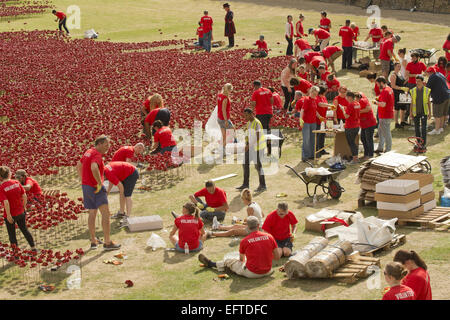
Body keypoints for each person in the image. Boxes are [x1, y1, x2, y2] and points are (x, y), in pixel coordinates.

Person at [198, 216, 280, 279]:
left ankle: (212, 264)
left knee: (230, 260)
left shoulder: (245, 241)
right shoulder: (269, 237)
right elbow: (277, 257)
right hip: (268, 270)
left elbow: (241, 260)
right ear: (258, 225)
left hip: (253, 273)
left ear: (246, 226)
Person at [76, 135, 121, 250]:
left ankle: (93, 241)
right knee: (106, 214)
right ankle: (107, 242)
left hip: (86, 186)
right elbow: (94, 168)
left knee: (92, 213)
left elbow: (79, 164)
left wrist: (82, 180)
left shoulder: (88, 151)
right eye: (106, 145)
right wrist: (99, 183)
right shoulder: (96, 154)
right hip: (95, 187)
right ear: (99, 144)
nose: (108, 148)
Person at [0, 166, 36, 252]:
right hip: (20, 212)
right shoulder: (16, 182)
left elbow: (6, 202)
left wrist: (8, 215)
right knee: (24, 230)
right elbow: (24, 196)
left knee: (12, 235)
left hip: (10, 215)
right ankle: (33, 248)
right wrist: (24, 207)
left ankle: (16, 254)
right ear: (9, 174)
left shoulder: (2, 187)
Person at [236, 108, 267, 192]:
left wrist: (248, 145)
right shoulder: (249, 123)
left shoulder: (257, 123)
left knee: (258, 166)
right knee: (245, 164)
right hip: (250, 147)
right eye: (244, 115)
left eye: (246, 115)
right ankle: (245, 185)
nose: (245, 117)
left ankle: (263, 185)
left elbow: (257, 137)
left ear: (251, 114)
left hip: (257, 148)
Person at [300, 86, 326, 161]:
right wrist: (301, 119)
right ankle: (305, 156)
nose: (316, 95)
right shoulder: (307, 100)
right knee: (306, 139)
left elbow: (315, 110)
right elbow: (302, 110)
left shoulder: (314, 100)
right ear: (311, 92)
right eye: (315, 94)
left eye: (317, 94)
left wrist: (320, 116)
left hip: (313, 122)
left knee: (312, 139)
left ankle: (311, 155)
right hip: (306, 122)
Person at [251, 81, 273, 155]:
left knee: (262, 132)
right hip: (269, 113)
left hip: (260, 113)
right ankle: (269, 150)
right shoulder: (268, 90)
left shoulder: (256, 92)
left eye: (254, 87)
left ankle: (262, 150)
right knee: (268, 130)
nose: (254, 88)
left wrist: (251, 111)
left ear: (256, 86)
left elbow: (253, 103)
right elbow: (272, 101)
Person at [426, 67, 450, 135]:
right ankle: (441, 128)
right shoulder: (440, 74)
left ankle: (436, 130)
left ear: (429, 72)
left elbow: (427, 89)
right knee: (442, 114)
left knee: (437, 115)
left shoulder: (432, 77)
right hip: (447, 96)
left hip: (439, 98)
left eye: (427, 73)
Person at [373, 77, 395, 153]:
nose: (377, 86)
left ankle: (388, 149)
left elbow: (383, 104)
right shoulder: (389, 89)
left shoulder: (385, 91)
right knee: (380, 132)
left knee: (386, 133)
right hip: (386, 114)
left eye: (377, 84)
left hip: (385, 115)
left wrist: (376, 103)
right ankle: (380, 147)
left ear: (381, 83)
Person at [409, 75, 431, 150]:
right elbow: (412, 102)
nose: (417, 82)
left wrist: (430, 112)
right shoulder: (413, 90)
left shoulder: (427, 90)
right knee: (417, 128)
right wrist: (410, 112)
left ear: (422, 82)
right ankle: (418, 142)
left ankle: (423, 144)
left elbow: (428, 102)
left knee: (423, 128)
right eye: (416, 81)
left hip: (424, 112)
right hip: (416, 112)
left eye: (419, 81)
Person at [339, 91, 360, 164]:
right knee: (353, 142)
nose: (346, 98)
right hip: (356, 125)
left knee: (351, 143)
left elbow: (346, 116)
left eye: (346, 97)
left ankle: (355, 158)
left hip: (350, 126)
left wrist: (342, 110)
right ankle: (356, 157)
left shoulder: (351, 105)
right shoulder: (357, 103)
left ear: (350, 97)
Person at [356, 92, 377, 160]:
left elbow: (368, 109)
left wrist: (357, 112)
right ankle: (366, 153)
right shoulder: (358, 102)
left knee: (368, 139)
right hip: (364, 124)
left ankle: (370, 155)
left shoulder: (362, 100)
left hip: (369, 123)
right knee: (363, 138)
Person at [389, 62, 408, 128]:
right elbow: (393, 86)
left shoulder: (400, 74)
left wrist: (407, 79)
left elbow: (402, 82)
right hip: (396, 93)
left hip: (402, 93)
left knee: (403, 108)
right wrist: (401, 88)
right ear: (394, 67)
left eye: (400, 66)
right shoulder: (393, 75)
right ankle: (396, 123)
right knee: (397, 108)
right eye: (398, 66)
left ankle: (402, 121)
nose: (399, 68)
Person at [315, 86, 333, 157]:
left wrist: (329, 108)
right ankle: (316, 151)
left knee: (322, 136)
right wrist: (330, 105)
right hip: (318, 119)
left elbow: (324, 106)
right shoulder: (317, 97)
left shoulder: (324, 97)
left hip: (324, 119)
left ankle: (322, 150)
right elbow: (320, 104)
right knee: (317, 136)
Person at [217, 83, 234, 153]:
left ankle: (223, 150)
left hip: (219, 117)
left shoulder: (219, 95)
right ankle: (222, 148)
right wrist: (226, 120)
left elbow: (219, 106)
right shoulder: (225, 98)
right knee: (232, 132)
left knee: (224, 135)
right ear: (229, 90)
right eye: (231, 90)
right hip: (224, 118)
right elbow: (223, 109)